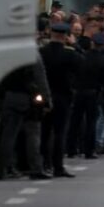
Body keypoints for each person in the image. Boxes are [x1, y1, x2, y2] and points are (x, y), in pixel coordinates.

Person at [0, 54, 50, 180]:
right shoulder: (32, 54)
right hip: (28, 97)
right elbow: (40, 78)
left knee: (8, 135)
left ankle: (2, 168)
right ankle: (36, 168)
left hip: (9, 96)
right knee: (33, 133)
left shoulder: (6, 53)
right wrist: (47, 99)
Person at [38, 22, 81, 177]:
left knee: (44, 132)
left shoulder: (41, 52)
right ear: (66, 36)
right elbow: (83, 66)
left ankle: (44, 164)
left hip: (44, 97)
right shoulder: (70, 54)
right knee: (60, 133)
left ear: (51, 34)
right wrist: (75, 45)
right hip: (63, 97)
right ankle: (58, 166)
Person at [66, 35, 104, 160]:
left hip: (79, 91)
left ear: (92, 43)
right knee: (91, 122)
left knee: (75, 121)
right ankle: (89, 150)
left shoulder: (82, 57)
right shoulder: (103, 60)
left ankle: (71, 149)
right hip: (93, 93)